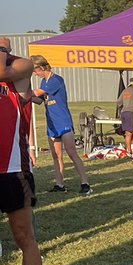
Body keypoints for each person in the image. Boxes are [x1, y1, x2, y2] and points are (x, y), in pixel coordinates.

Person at [0, 41, 43, 265]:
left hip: (14, 170)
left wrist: (2, 50)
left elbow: (3, 72)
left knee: (24, 236)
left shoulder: (21, 66)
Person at [30, 58, 92, 195]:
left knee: (71, 153)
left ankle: (85, 183)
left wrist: (21, 92)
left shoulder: (56, 80)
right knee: (56, 155)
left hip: (63, 122)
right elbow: (39, 99)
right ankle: (60, 184)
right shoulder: (44, 82)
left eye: (35, 71)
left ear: (42, 67)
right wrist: (25, 98)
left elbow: (36, 93)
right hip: (52, 124)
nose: (35, 74)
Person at [117, 77, 133, 159]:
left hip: (124, 113)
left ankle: (128, 151)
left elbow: (119, 102)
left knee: (128, 133)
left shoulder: (125, 91)